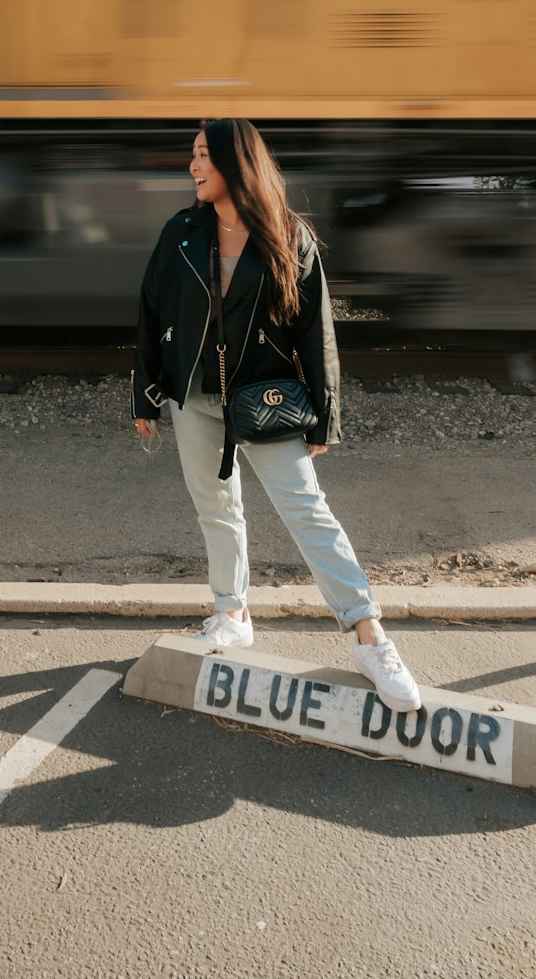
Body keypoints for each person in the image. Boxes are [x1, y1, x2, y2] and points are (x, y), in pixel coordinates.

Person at [133, 118, 421, 715]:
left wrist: (323, 419)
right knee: (216, 505)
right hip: (194, 398)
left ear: (237, 164)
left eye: (202, 156)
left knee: (306, 511)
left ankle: (369, 636)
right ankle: (231, 613)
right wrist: (146, 396)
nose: (192, 168)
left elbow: (317, 335)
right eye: (193, 156)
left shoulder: (289, 237)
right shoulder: (182, 232)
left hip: (264, 403)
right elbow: (151, 310)